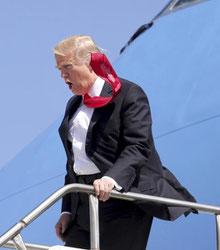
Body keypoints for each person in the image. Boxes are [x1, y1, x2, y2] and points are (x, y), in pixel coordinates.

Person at [53, 35, 196, 250]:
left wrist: (111, 179)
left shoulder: (128, 94)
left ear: (91, 62)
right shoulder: (74, 105)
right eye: (59, 70)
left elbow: (139, 146)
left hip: (122, 197)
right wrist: (67, 210)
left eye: (67, 67)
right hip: (83, 202)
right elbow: (74, 163)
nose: (63, 75)